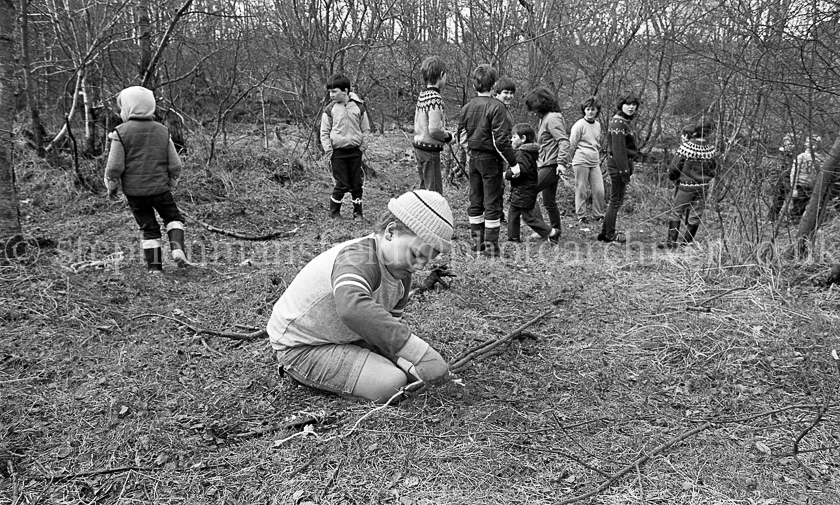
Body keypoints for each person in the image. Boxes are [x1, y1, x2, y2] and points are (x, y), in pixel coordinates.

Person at [267, 190, 453, 404]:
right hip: (302, 346)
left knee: (412, 373)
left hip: (349, 337)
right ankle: (300, 372)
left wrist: (412, 362)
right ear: (391, 232)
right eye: (415, 254)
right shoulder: (359, 258)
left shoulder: (401, 274)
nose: (420, 266)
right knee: (391, 383)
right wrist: (420, 354)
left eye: (426, 260)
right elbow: (352, 308)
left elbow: (384, 330)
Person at [103, 86, 186, 273]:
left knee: (148, 228)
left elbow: (114, 167)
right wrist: (172, 182)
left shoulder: (120, 133)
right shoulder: (162, 131)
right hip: (160, 190)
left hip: (135, 194)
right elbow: (175, 164)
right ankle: (177, 249)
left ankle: (155, 269)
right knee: (173, 218)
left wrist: (112, 186)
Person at [457, 64, 519, 257]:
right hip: (490, 159)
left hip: (473, 159)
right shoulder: (497, 107)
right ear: (493, 86)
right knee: (492, 203)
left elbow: (461, 135)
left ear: (475, 85)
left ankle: (477, 245)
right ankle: (491, 248)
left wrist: (470, 151)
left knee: (475, 201)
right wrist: (514, 164)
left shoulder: (467, 107)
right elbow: (500, 140)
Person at [658, 120, 717, 249]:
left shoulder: (686, 147)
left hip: (686, 185)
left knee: (676, 212)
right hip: (702, 187)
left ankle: (671, 242)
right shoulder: (711, 149)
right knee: (696, 215)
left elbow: (674, 167)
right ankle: (687, 243)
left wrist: (673, 178)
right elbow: (713, 168)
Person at [320, 73, 371, 219]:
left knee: (356, 184)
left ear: (346, 91)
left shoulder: (359, 107)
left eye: (334, 91)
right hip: (337, 153)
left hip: (355, 152)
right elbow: (324, 132)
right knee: (341, 184)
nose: (331, 95)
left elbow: (366, 129)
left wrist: (362, 147)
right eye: (330, 91)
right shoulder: (330, 110)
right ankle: (334, 213)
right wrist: (329, 151)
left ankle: (358, 213)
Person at [505, 123, 561, 243]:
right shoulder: (528, 152)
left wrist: (507, 174)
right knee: (513, 214)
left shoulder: (522, 153)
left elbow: (521, 170)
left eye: (514, 137)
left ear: (523, 139)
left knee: (528, 217)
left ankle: (551, 232)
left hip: (523, 191)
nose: (511, 139)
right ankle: (513, 237)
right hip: (521, 190)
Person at [524, 86, 570, 231]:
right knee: (549, 202)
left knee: (528, 190)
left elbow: (563, 141)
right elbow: (544, 143)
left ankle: (541, 229)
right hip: (545, 163)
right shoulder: (544, 119)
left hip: (552, 165)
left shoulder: (552, 118)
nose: (534, 112)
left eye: (535, 108)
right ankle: (556, 231)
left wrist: (562, 162)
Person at [598, 92, 640, 243]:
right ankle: (610, 234)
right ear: (621, 105)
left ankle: (604, 232)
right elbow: (618, 150)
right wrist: (624, 172)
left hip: (623, 164)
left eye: (634, 105)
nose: (631, 107)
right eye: (628, 104)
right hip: (618, 165)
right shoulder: (618, 123)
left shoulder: (625, 121)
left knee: (616, 200)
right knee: (615, 201)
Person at [412, 56, 453, 194]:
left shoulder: (422, 95)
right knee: (434, 193)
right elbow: (435, 129)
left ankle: (422, 214)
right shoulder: (435, 98)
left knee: (424, 189)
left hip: (419, 147)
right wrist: (448, 137)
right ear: (441, 75)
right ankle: (434, 215)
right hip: (429, 151)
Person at [569, 96, 605, 224]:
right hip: (581, 160)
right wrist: (570, 159)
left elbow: (597, 142)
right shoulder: (579, 125)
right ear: (584, 110)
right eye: (588, 109)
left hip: (594, 160)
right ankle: (581, 215)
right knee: (581, 188)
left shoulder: (598, 125)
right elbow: (572, 143)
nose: (590, 112)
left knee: (599, 190)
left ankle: (598, 214)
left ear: (597, 111)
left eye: (593, 109)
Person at [789, 136, 824, 222]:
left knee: (810, 206)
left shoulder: (821, 158)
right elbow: (794, 173)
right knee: (798, 205)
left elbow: (822, 173)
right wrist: (793, 188)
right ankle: (794, 221)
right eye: (809, 142)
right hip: (801, 185)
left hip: (813, 187)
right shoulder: (801, 157)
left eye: (815, 143)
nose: (811, 145)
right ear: (806, 144)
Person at [768, 133, 795, 222]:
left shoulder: (791, 156)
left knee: (781, 203)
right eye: (789, 143)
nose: (791, 146)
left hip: (786, 184)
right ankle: (771, 220)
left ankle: (775, 219)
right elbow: (776, 170)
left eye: (792, 144)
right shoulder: (780, 156)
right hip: (780, 183)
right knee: (777, 202)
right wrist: (775, 182)